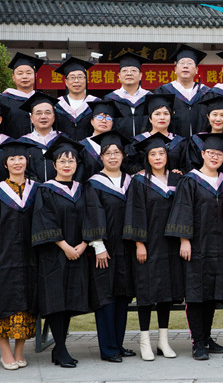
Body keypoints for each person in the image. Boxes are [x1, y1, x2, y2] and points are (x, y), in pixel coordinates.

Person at [166, 133, 223, 360]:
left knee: (212, 292)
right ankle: (198, 342)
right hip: (196, 246)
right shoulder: (190, 180)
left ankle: (208, 337)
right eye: (211, 153)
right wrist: (184, 240)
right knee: (196, 294)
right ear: (203, 154)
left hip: (219, 246)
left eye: (219, 154)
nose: (215, 157)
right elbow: (182, 209)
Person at [30, 138, 95, 368]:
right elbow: (43, 219)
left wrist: (84, 244)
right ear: (54, 164)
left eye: (71, 161)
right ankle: (61, 348)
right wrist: (64, 245)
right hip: (54, 255)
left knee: (70, 301)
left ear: (77, 164)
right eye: (62, 161)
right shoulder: (45, 190)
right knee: (56, 300)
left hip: (78, 253)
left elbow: (91, 217)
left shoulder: (83, 189)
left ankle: (59, 348)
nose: (67, 165)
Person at [123, 132, 185, 361]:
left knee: (166, 293)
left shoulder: (177, 179)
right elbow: (135, 212)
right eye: (153, 154)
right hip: (148, 245)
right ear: (147, 158)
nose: (158, 157)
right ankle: (144, 341)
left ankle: (163, 340)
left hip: (171, 244)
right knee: (146, 292)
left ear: (167, 156)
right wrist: (139, 244)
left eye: (161, 153)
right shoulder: (139, 181)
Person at [0, 139, 40, 370]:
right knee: (2, 302)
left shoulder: (37, 190)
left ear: (27, 161)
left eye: (21, 158)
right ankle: (5, 352)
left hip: (30, 257)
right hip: (1, 257)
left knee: (27, 303)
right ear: (5, 164)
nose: (17, 162)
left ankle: (19, 351)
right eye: (12, 159)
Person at [86, 131, 135, 363]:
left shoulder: (131, 181)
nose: (113, 157)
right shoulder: (94, 183)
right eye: (108, 153)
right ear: (101, 157)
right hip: (104, 249)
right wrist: (98, 245)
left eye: (117, 152)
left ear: (123, 156)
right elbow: (91, 214)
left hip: (126, 248)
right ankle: (107, 349)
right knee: (106, 297)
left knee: (122, 296)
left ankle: (118, 343)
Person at [157, 44, 210, 137]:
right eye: (182, 63)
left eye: (190, 63)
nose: (185, 66)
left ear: (197, 70)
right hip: (173, 143)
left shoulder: (206, 93)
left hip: (201, 143)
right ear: (175, 69)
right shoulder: (163, 91)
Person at [127, 94, 188, 174]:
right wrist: (139, 171)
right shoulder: (138, 141)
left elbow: (186, 166)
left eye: (166, 114)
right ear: (150, 119)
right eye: (157, 114)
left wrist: (180, 172)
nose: (162, 117)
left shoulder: (180, 142)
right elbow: (130, 165)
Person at [187, 94, 223, 174]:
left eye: (222, 115)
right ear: (208, 116)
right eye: (214, 114)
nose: (218, 119)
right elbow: (191, 168)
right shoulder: (197, 141)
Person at [104, 51, 151, 138]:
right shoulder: (110, 99)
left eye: (133, 70)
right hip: (119, 144)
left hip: (146, 143)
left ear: (140, 75)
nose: (129, 73)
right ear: (119, 76)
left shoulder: (150, 98)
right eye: (124, 70)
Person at [53, 56, 99, 141]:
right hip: (64, 148)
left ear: (86, 80)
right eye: (72, 77)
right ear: (66, 82)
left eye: (80, 77)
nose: (76, 81)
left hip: (89, 148)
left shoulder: (96, 103)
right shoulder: (57, 105)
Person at [0, 52, 44, 138]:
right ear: (13, 77)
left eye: (29, 73)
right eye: (20, 73)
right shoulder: (3, 100)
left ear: (35, 75)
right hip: (13, 145)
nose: (24, 76)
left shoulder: (42, 100)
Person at [20, 92, 61, 183]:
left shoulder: (63, 140)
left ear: (54, 117)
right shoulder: (22, 143)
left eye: (48, 113)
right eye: (38, 113)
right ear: (31, 118)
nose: (43, 116)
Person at [79, 100, 123, 182]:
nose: (104, 121)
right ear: (92, 121)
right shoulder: (82, 146)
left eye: (108, 118)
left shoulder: (118, 145)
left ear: (112, 123)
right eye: (99, 117)